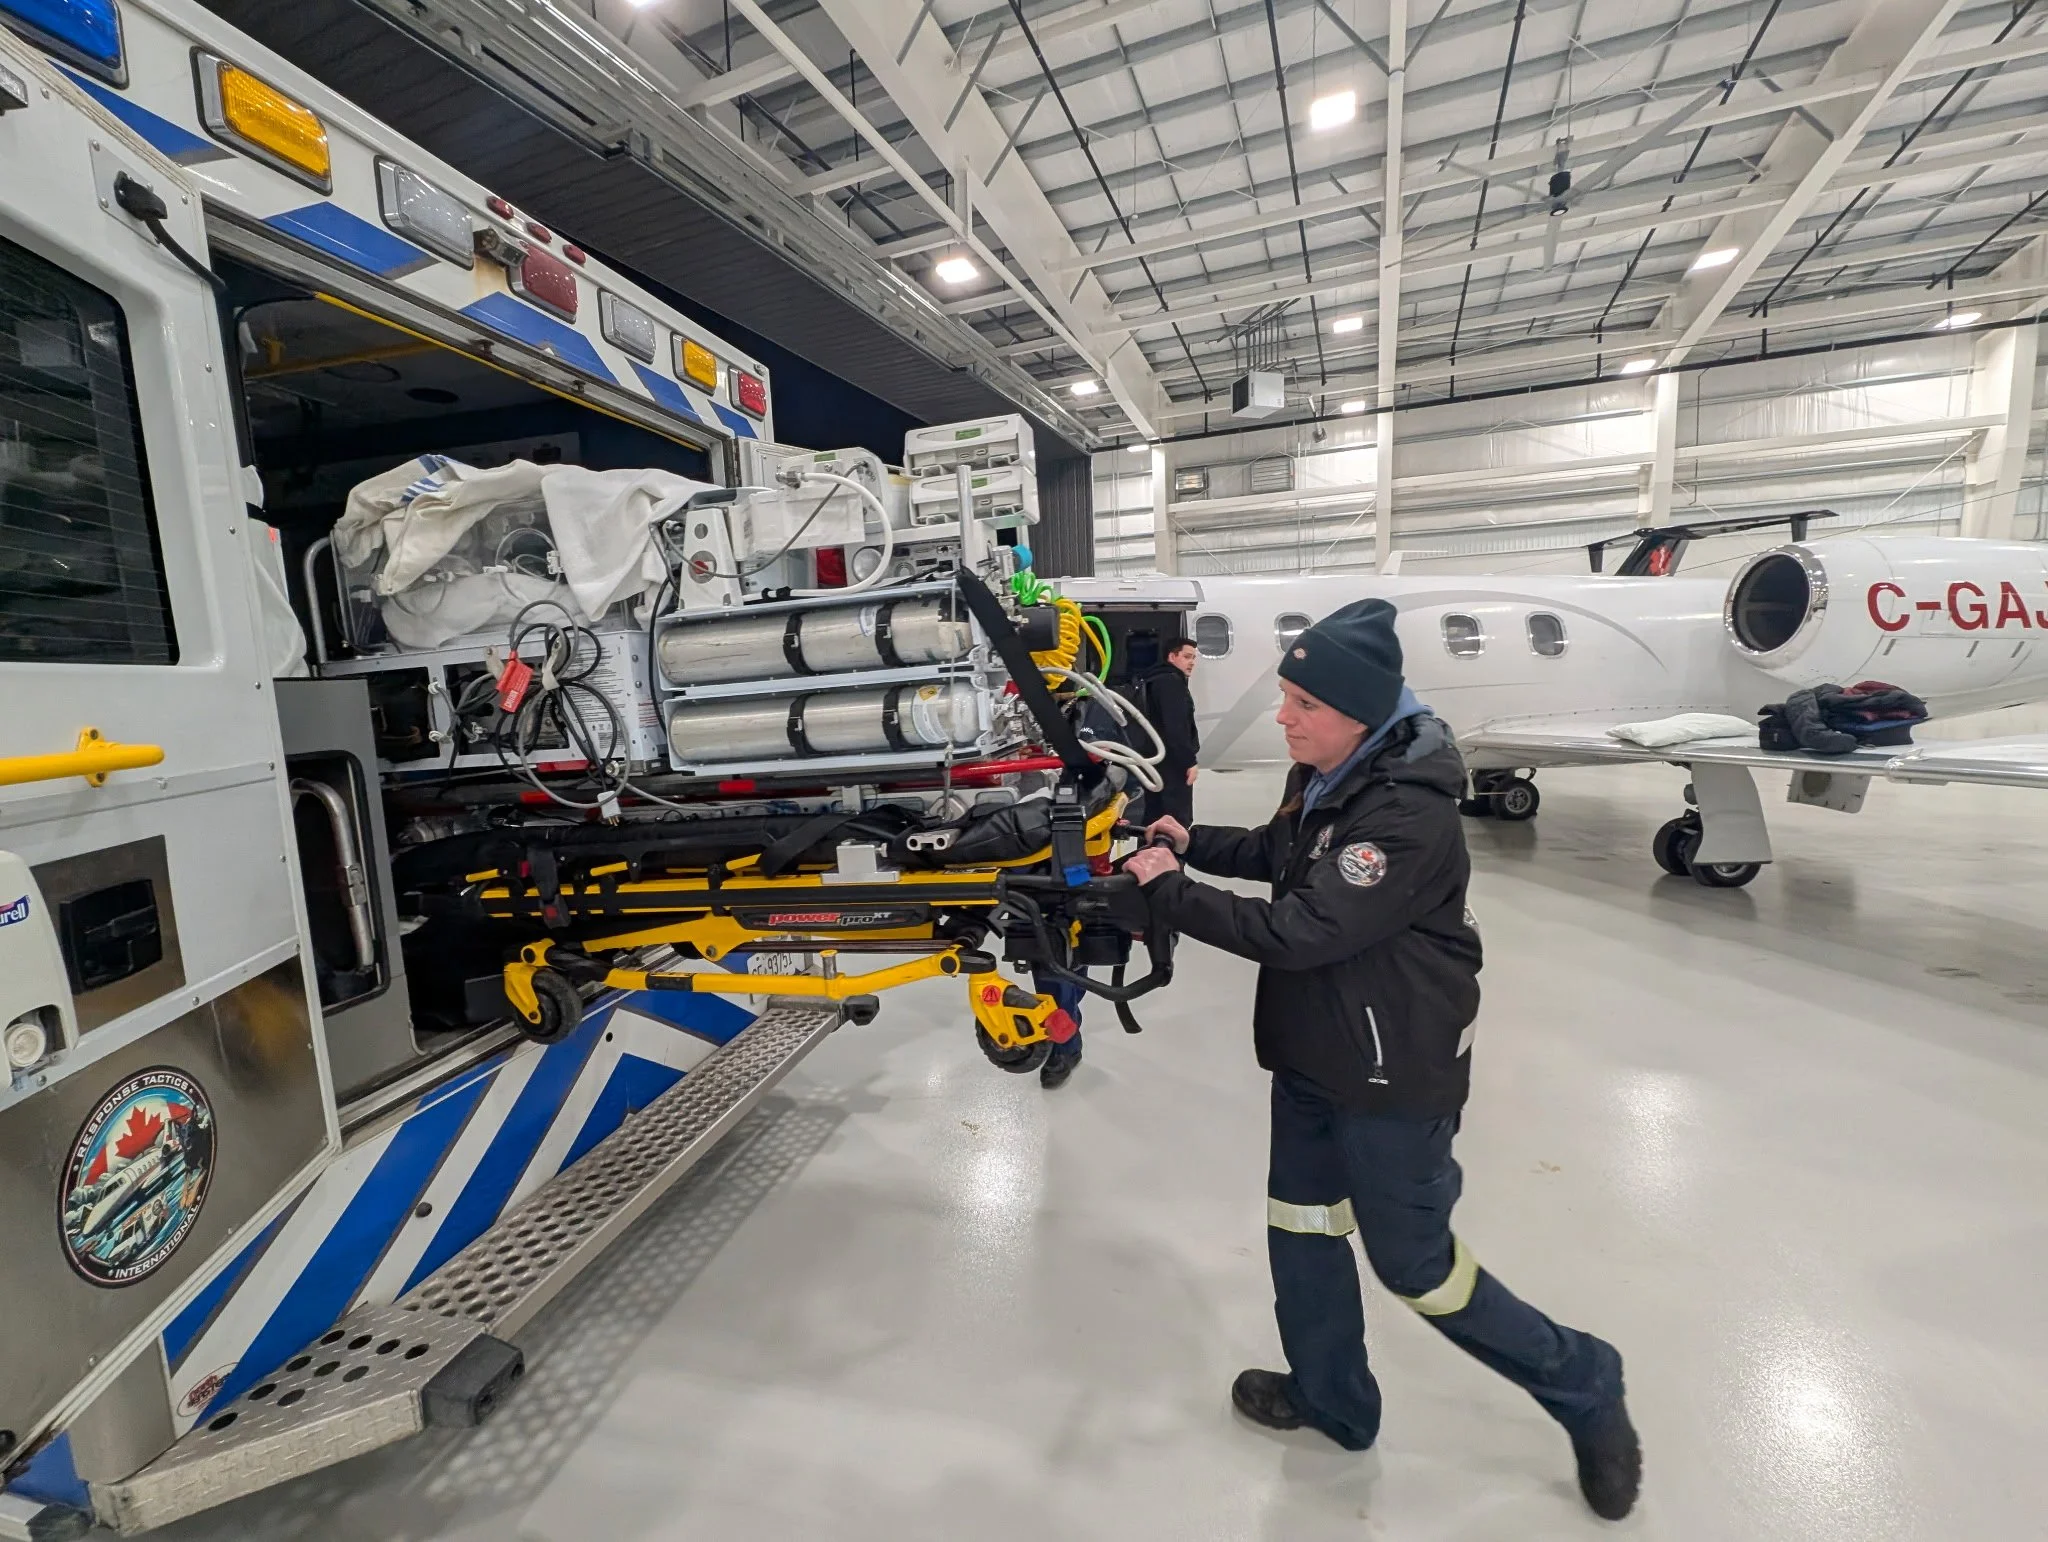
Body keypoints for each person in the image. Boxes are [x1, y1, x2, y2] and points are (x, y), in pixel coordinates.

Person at [1120, 598, 1641, 1521]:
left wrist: (1172, 896)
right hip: (1318, 1055)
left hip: (1391, 1070)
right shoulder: (1335, 773)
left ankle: (1584, 1379)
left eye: (1300, 705)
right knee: (1305, 1231)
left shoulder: (1406, 813)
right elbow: (1285, 856)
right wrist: (1187, 842)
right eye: (1285, 698)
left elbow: (1306, 928)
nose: (1284, 718)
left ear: (1358, 713)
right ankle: (1333, 1399)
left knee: (1419, 1268)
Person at [1138, 637, 1200, 829]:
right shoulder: (1171, 683)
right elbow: (1176, 727)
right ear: (1172, 656)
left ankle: (1151, 856)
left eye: (1194, 658)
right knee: (1175, 822)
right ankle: (1170, 858)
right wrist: (1189, 761)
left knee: (1154, 820)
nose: (1191, 662)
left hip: (1154, 762)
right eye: (1187, 657)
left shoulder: (1153, 680)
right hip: (1172, 765)